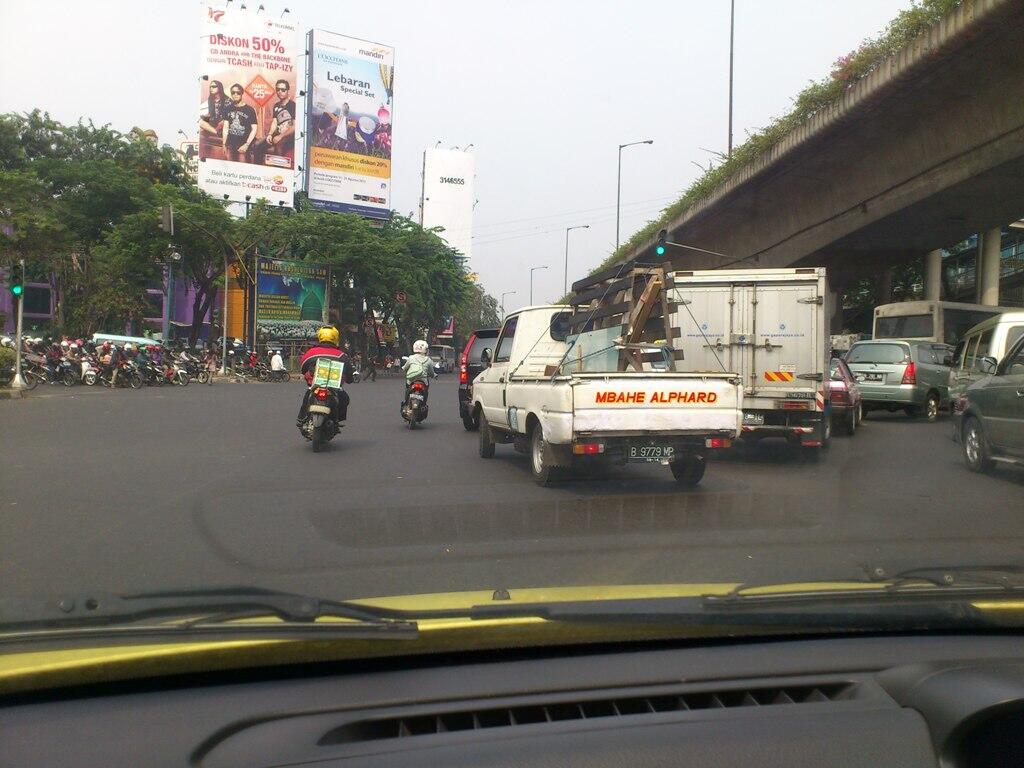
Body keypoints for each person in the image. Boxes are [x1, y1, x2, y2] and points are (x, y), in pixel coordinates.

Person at [296, 326, 353, 427]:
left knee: (307, 396)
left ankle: (301, 418)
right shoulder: (341, 355)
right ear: (335, 338)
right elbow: (349, 374)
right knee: (344, 398)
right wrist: (349, 379)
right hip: (334, 388)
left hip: (314, 386)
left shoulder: (311, 353)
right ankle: (337, 420)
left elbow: (303, 368)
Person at [252, 80, 295, 165]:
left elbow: (294, 127)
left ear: (287, 90)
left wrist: (280, 136)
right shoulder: (276, 105)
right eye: (278, 89)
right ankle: (258, 169)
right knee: (257, 145)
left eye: (283, 90)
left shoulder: (293, 105)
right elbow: (274, 122)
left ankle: (280, 172)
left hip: (289, 136)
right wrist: (270, 134)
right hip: (277, 134)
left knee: (278, 145)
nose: (280, 92)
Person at [222, 84, 258, 163]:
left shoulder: (250, 110)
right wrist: (224, 144)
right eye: (233, 92)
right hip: (230, 144)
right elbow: (225, 127)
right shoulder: (227, 108)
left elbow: (254, 129)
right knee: (230, 168)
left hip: (243, 145)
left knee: (242, 168)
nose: (235, 95)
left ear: (242, 93)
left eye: (238, 92)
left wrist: (247, 144)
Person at [401, 340, 437, 408]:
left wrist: (405, 370)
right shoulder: (428, 360)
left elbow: (405, 368)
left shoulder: (411, 358)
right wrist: (434, 375)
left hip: (411, 380)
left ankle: (406, 401)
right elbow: (431, 372)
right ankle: (423, 404)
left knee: (407, 388)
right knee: (425, 391)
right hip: (423, 381)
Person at [199, 80, 229, 160]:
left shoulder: (227, 100)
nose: (211, 88)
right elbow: (210, 115)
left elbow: (229, 117)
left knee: (222, 123)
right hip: (214, 124)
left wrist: (221, 124)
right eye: (210, 87)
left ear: (219, 88)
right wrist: (204, 118)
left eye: (213, 86)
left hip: (224, 124)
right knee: (200, 122)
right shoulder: (210, 100)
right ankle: (217, 133)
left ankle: (216, 132)